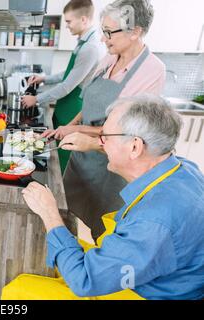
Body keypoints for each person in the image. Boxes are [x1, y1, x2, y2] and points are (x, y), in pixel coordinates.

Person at [2, 95, 204, 300]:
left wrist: (50, 215)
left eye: (104, 137)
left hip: (145, 294)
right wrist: (93, 145)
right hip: (156, 272)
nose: (101, 142)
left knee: (18, 289)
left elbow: (84, 281)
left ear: (134, 147)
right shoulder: (182, 167)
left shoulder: (153, 221)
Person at [41, 0, 166, 240]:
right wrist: (69, 126)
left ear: (135, 32)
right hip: (82, 156)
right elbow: (88, 101)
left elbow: (123, 131)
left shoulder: (151, 70)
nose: (103, 39)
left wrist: (76, 130)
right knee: (67, 215)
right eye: (103, 31)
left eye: (109, 32)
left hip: (110, 162)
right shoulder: (110, 58)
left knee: (104, 231)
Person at [22, 0, 106, 173]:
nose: (67, 26)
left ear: (83, 19)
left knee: (64, 155)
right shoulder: (83, 42)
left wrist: (36, 99)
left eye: (68, 21)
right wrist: (44, 78)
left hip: (73, 107)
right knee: (58, 152)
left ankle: (60, 195)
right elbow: (68, 74)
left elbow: (68, 85)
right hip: (66, 104)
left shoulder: (90, 48)